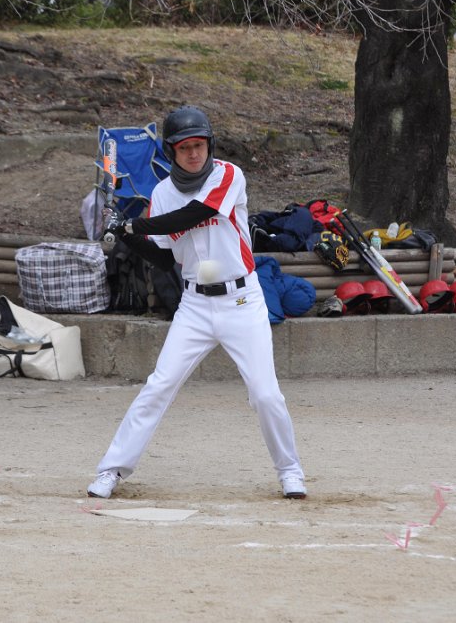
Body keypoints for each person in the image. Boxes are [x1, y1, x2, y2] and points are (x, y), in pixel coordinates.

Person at [88, 105, 307, 500]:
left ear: (210, 145)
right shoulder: (162, 194)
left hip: (242, 301)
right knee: (158, 386)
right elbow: (163, 257)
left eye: (199, 145)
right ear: (171, 152)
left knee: (265, 394)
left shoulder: (228, 175)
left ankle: (290, 471)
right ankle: (111, 470)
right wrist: (124, 233)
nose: (193, 153)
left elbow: (193, 215)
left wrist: (133, 222)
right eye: (184, 147)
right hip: (194, 306)